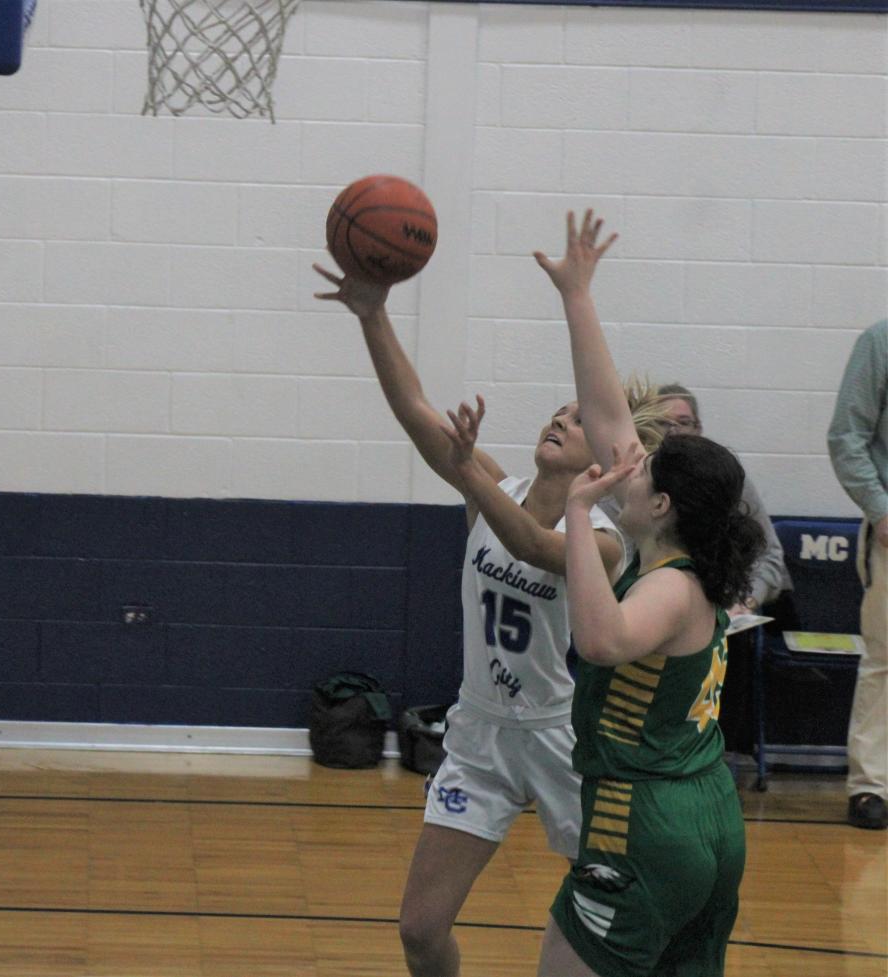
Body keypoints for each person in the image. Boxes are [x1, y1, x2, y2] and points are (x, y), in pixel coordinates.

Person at [312, 261, 666, 977]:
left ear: (604, 456)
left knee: (612, 916)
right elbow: (415, 408)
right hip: (479, 731)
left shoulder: (604, 537)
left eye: (576, 418)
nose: (561, 420)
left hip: (564, 737)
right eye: (556, 412)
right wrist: (373, 313)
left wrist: (464, 468)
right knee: (419, 927)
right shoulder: (494, 486)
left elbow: (534, 545)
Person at [519, 209, 763, 977]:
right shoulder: (679, 546)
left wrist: (581, 505)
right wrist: (578, 297)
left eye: (645, 470)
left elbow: (602, 641)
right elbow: (609, 416)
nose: (632, 464)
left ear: (660, 504)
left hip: (643, 816)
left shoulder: (671, 588)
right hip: (707, 812)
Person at [654, 383, 792, 617]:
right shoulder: (638, 482)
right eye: (663, 422)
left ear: (698, 429)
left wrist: (745, 603)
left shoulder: (727, 478)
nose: (673, 431)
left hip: (722, 604)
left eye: (683, 422)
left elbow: (769, 555)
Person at [827, 319, 888, 831]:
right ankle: (871, 786)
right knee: (886, 661)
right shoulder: (880, 341)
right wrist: (880, 509)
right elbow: (847, 435)